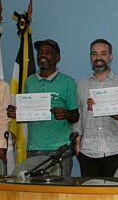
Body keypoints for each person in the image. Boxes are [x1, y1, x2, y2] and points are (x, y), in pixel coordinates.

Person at [7, 39, 79, 177]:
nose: (43, 55)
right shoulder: (30, 81)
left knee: (60, 191)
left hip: (60, 149)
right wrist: (17, 112)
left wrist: (65, 114)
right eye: (40, 52)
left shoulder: (67, 82)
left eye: (48, 52)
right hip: (34, 147)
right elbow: (27, 111)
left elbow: (75, 115)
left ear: (57, 57)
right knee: (36, 192)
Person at [75, 39, 118, 177]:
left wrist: (104, 106)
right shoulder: (81, 84)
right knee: (90, 196)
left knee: (114, 196)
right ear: (91, 57)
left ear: (110, 56)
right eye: (94, 54)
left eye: (103, 54)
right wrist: (77, 142)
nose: (98, 58)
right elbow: (78, 114)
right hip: (88, 151)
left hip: (115, 149)